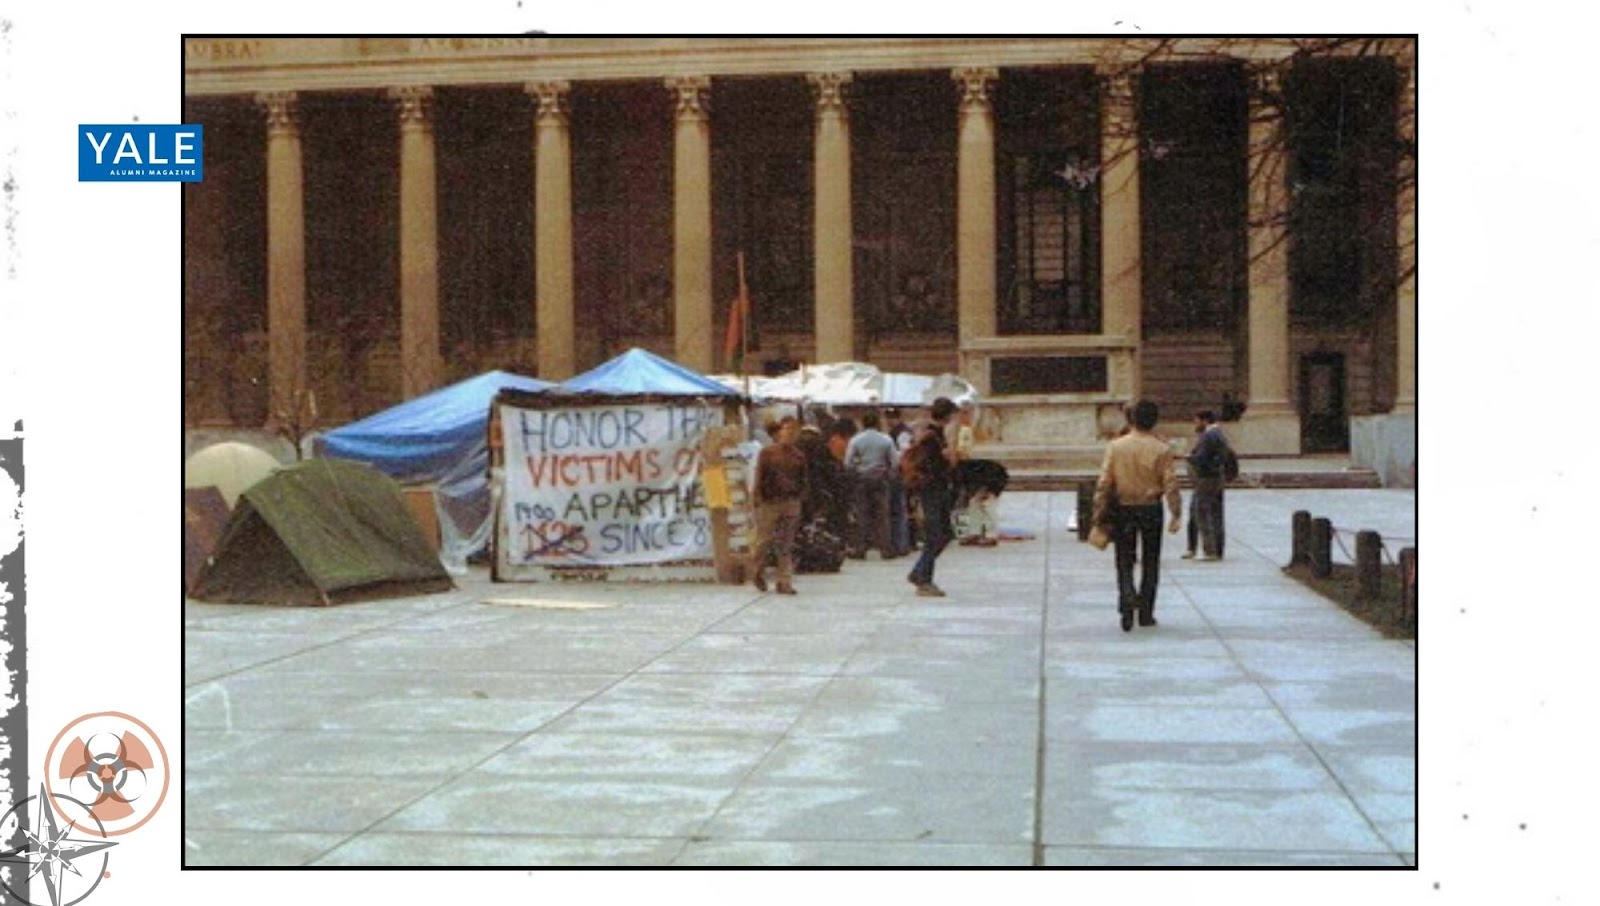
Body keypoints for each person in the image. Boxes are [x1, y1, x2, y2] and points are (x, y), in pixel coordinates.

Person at [1093, 399, 1182, 631]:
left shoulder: (1116, 446)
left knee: (1124, 559)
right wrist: (1176, 513)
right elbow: (1170, 483)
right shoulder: (1162, 448)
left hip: (1123, 507)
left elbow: (1105, 481)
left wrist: (1098, 508)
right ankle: (1146, 612)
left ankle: (1126, 598)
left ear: (1130, 419)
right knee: (1151, 561)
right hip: (1150, 508)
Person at [906, 396, 959, 597]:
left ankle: (919, 572)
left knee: (945, 534)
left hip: (939, 490)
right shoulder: (931, 437)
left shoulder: (935, 434)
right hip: (932, 491)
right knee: (935, 535)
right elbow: (934, 466)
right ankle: (924, 579)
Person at [751, 416, 806, 595]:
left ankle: (784, 582)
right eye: (787, 429)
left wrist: (800, 498)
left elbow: (804, 479)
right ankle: (756, 570)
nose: (790, 433)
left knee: (785, 544)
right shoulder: (767, 453)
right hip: (769, 503)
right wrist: (757, 497)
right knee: (763, 542)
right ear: (779, 431)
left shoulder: (799, 456)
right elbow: (759, 476)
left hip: (790, 502)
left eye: (794, 430)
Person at [844, 411, 899, 559]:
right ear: (878, 423)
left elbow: (848, 462)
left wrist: (856, 471)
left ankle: (860, 548)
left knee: (862, 514)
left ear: (862, 424)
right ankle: (886, 549)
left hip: (861, 480)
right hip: (881, 480)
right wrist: (889, 474)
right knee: (882, 515)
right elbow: (894, 462)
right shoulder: (886, 440)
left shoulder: (856, 440)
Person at [1186, 409, 1232, 561]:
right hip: (1216, 478)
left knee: (1203, 514)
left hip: (1206, 479)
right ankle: (1217, 549)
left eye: (1196, 420)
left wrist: (1189, 458)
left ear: (1204, 421)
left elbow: (1202, 458)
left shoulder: (1208, 435)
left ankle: (1209, 550)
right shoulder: (1219, 433)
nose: (1195, 424)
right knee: (1215, 513)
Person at [884, 408, 914, 556]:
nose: (890, 420)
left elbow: (904, 453)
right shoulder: (894, 433)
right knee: (897, 509)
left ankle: (901, 544)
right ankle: (898, 544)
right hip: (895, 474)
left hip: (899, 474)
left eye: (892, 417)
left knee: (899, 510)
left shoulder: (902, 433)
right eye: (888, 417)